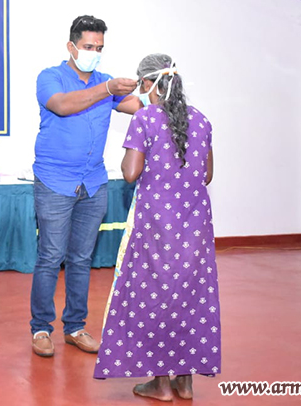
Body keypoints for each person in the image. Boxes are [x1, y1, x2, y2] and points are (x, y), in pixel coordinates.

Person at [94, 54, 220, 401]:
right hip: (194, 224)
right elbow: (207, 174)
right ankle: (185, 382)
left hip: (156, 223)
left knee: (155, 295)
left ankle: (161, 383)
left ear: (148, 84)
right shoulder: (201, 119)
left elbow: (130, 173)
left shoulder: (145, 118)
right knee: (190, 295)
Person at [30, 15, 142, 357]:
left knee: (81, 259)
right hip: (55, 181)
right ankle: (41, 329)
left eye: (99, 48)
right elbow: (62, 106)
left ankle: (75, 327)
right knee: (51, 257)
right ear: (72, 46)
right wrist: (107, 90)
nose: (94, 53)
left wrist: (163, 92)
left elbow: (139, 108)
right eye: (89, 46)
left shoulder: (106, 82)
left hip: (93, 183)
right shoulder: (51, 77)